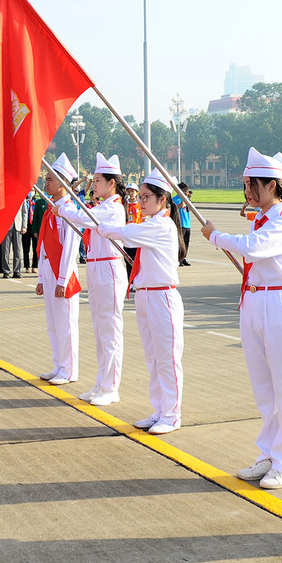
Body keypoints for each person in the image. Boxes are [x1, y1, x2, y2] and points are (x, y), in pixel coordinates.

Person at [201, 148, 282, 490]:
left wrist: (216, 237)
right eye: (246, 184)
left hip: (278, 303)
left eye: (253, 184)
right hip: (254, 302)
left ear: (272, 185)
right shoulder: (261, 218)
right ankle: (270, 453)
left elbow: (255, 247)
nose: (248, 191)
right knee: (264, 388)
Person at [95, 167, 185, 435]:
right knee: (153, 358)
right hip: (146, 296)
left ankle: (172, 413)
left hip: (162, 296)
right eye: (140, 197)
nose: (140, 201)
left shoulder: (161, 226)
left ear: (162, 200)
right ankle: (160, 409)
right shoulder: (150, 224)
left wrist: (104, 227)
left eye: (146, 197)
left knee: (167, 359)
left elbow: (126, 233)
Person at [58, 153, 129, 407]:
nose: (94, 184)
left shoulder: (114, 207)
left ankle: (111, 387)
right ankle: (101, 383)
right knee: (100, 331)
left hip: (109, 269)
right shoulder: (102, 205)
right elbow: (85, 216)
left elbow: (85, 217)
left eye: (98, 180)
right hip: (96, 269)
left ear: (112, 183)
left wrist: (65, 208)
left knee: (109, 331)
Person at [35, 154, 82, 386]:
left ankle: (70, 369)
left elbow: (70, 249)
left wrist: (62, 280)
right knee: (53, 321)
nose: (46, 183)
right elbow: (44, 244)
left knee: (66, 322)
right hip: (50, 270)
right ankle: (59, 364)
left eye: (50, 179)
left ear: (63, 183)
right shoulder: (52, 208)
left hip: (64, 273)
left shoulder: (69, 210)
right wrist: (41, 277)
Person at [175, 183, 193, 266]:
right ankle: (178, 259)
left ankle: (183, 258)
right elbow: (181, 206)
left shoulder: (186, 199)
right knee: (180, 243)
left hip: (187, 224)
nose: (187, 192)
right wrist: (183, 197)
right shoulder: (176, 199)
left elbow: (190, 208)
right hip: (181, 224)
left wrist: (188, 198)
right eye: (185, 190)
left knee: (186, 243)